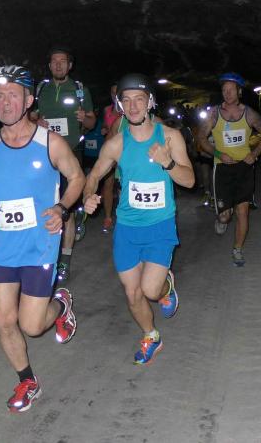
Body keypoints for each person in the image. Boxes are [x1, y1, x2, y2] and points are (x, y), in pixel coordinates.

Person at [0, 66, 83, 413]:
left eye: (13, 95)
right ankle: (27, 380)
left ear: (29, 101)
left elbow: (77, 177)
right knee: (3, 319)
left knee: (31, 325)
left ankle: (60, 305)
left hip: (39, 245)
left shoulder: (50, 142)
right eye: (0, 96)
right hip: (2, 245)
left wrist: (61, 207)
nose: (5, 102)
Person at [83, 73, 194, 365]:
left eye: (139, 99)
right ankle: (151, 335)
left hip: (160, 225)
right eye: (127, 100)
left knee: (150, 291)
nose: (133, 106)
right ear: (120, 105)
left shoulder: (169, 137)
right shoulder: (116, 144)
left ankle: (166, 287)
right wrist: (88, 195)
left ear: (150, 102)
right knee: (133, 294)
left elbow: (190, 180)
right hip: (127, 229)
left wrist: (168, 162)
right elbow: (94, 175)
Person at [195, 72, 261, 267]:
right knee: (225, 215)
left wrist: (254, 154)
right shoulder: (214, 114)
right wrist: (218, 154)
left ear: (239, 92)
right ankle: (222, 219)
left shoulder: (249, 114)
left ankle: (237, 250)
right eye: (224, 90)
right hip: (222, 169)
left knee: (242, 211)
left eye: (231, 90)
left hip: (244, 168)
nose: (227, 93)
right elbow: (201, 138)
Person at [31, 46, 94, 282]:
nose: (58, 65)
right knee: (46, 204)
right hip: (45, 155)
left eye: (63, 61)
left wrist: (85, 119)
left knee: (65, 209)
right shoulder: (41, 89)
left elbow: (91, 122)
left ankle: (64, 260)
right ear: (50, 66)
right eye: (54, 61)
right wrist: (36, 122)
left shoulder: (80, 90)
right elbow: (31, 117)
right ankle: (43, 251)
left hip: (72, 153)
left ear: (70, 65)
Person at [100, 83, 123, 233]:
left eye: (117, 92)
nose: (115, 95)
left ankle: (123, 217)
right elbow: (104, 124)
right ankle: (108, 218)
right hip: (109, 152)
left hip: (123, 153)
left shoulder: (128, 109)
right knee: (107, 185)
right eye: (112, 93)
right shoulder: (107, 110)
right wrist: (104, 129)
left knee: (123, 186)